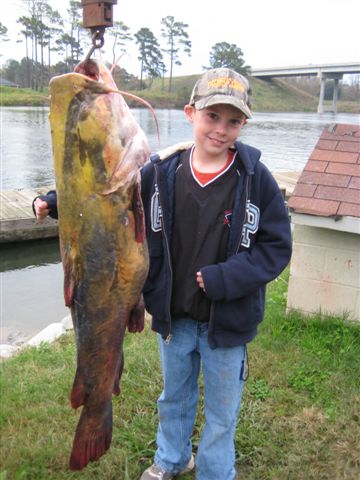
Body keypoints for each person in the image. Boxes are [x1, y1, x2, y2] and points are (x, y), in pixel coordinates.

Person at [33, 68, 292, 480]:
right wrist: (54, 201)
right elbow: (106, 195)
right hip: (174, 318)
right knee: (174, 398)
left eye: (233, 120)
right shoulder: (161, 171)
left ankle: (214, 470)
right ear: (191, 113)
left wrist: (228, 278)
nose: (221, 129)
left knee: (223, 410)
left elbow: (276, 248)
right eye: (212, 116)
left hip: (228, 323)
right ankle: (172, 458)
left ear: (244, 124)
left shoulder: (255, 179)